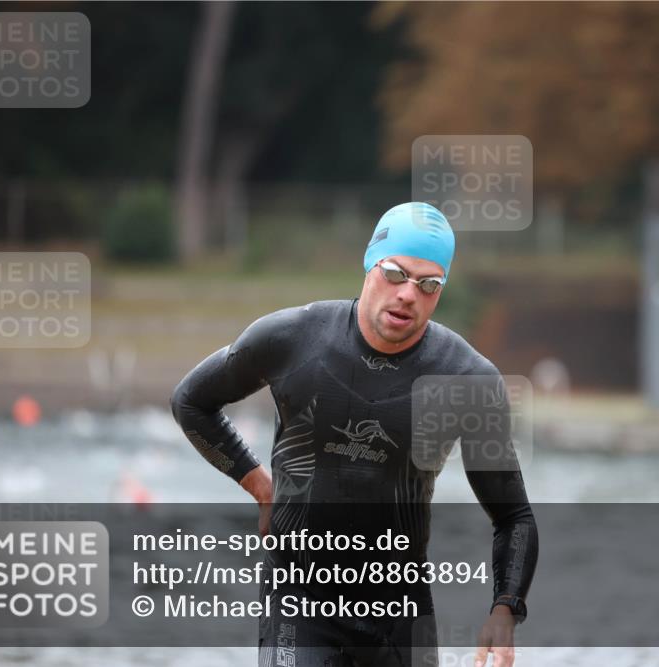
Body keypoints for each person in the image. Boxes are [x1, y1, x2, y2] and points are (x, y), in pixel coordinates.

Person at [171, 202, 538, 667]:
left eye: (429, 284)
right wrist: (258, 484)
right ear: (370, 264)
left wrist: (505, 608)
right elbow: (191, 402)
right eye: (395, 273)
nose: (408, 294)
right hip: (299, 599)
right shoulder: (294, 338)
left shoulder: (466, 379)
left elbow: (514, 516)